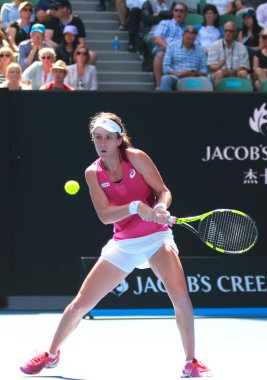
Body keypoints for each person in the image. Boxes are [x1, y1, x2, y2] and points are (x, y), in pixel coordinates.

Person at [19, 111, 212, 378]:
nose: (103, 143)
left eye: (109, 137)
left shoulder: (137, 158)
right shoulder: (92, 173)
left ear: (119, 140)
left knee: (180, 296)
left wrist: (158, 207)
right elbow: (104, 215)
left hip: (156, 238)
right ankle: (51, 355)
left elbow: (163, 191)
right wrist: (134, 207)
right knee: (79, 305)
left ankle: (191, 361)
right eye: (98, 138)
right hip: (123, 244)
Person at [160, 25, 208, 90]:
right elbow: (166, 67)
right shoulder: (172, 46)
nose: (190, 41)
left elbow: (204, 70)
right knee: (165, 79)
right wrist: (178, 73)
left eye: (192, 39)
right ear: (183, 35)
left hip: (194, 79)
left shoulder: (200, 50)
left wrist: (194, 73)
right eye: (188, 38)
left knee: (206, 80)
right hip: (176, 77)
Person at [153, 2, 188, 89]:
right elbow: (157, 38)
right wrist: (170, 49)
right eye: (176, 10)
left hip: (182, 51)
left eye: (181, 11)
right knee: (160, 55)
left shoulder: (187, 29)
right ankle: (159, 86)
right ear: (173, 12)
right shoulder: (166, 23)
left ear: (186, 14)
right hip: (166, 48)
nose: (178, 13)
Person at [207, 21, 250, 88]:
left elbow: (244, 66)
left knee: (243, 73)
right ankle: (218, 96)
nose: (228, 33)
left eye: (231, 31)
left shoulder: (242, 47)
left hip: (236, 72)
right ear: (223, 32)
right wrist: (219, 65)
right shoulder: (214, 45)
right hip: (219, 73)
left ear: (235, 33)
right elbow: (211, 67)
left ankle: (242, 97)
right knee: (220, 73)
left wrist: (233, 71)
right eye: (226, 31)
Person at [139, 0, 173, 71]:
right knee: (157, 43)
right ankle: (152, 65)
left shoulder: (170, 4)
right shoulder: (147, 4)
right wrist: (166, 17)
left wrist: (160, 13)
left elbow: (174, 15)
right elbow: (149, 19)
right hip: (151, 32)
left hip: (167, 34)